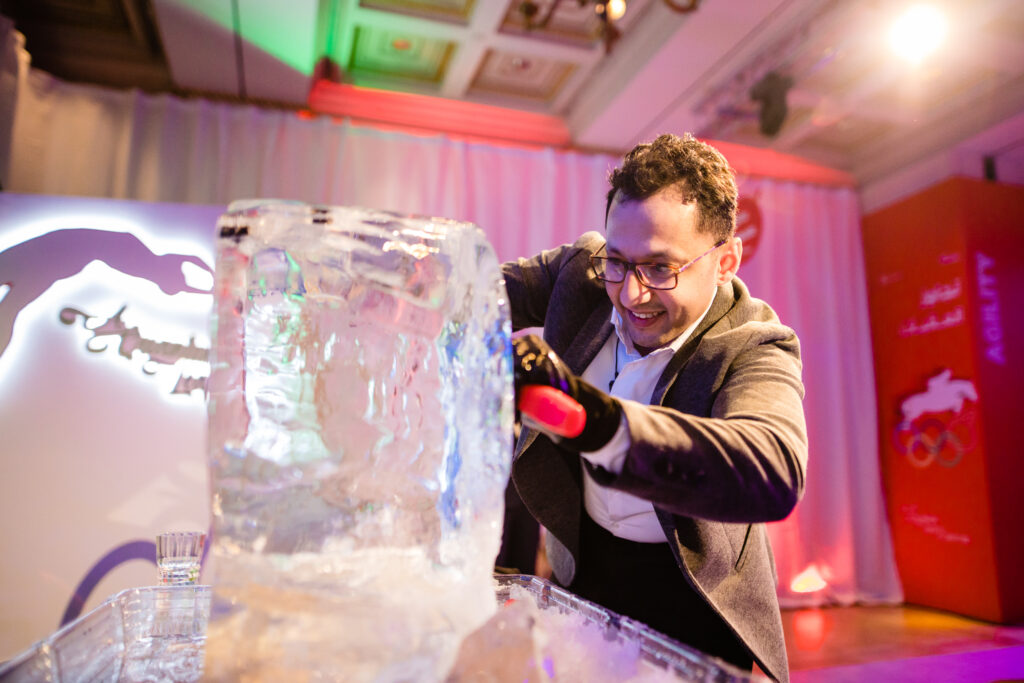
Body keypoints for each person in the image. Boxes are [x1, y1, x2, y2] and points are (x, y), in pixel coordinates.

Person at [502, 133, 807, 682]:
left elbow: (773, 467)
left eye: (661, 269)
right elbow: (475, 289)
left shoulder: (758, 344)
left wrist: (599, 424)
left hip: (692, 594)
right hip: (584, 566)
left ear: (725, 260)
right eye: (619, 262)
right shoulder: (586, 270)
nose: (632, 294)